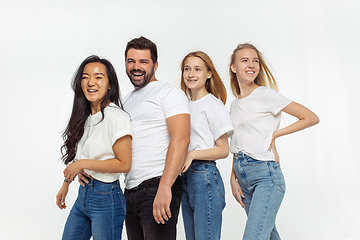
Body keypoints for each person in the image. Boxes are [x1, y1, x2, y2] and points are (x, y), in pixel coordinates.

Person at [229, 43, 319, 240]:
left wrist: (275, 135)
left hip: (265, 176)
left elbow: (310, 117)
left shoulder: (265, 95)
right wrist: (233, 177)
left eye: (255, 61)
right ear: (233, 67)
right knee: (268, 236)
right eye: (245, 60)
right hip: (243, 176)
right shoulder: (234, 105)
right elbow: (238, 142)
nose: (251, 65)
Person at [56, 55, 132, 240]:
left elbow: (124, 164)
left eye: (98, 77)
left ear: (109, 85)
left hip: (107, 198)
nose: (91, 82)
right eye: (85, 76)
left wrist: (82, 163)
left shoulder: (116, 116)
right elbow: (85, 157)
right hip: (84, 195)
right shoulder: (86, 117)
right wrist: (66, 184)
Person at [121, 36, 190, 240]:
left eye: (143, 61)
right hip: (130, 190)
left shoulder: (168, 93)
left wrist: (165, 187)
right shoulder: (125, 100)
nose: (136, 67)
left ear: (155, 65)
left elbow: (181, 138)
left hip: (157, 185)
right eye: (131, 61)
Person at [179, 51, 234, 240]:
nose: (191, 74)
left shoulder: (213, 105)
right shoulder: (183, 105)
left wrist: (192, 154)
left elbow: (223, 149)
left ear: (208, 73)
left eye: (197, 69)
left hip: (205, 177)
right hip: (185, 177)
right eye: (187, 69)